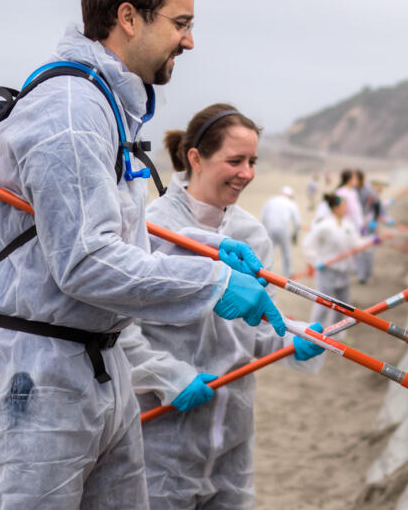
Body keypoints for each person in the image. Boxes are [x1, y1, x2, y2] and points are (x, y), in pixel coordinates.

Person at [0, 0, 285, 507]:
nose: (189, 39)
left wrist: (207, 249)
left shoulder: (107, 105)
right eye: (180, 22)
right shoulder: (72, 111)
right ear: (128, 18)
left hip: (100, 370)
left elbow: (116, 230)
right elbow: (85, 262)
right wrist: (214, 286)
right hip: (34, 380)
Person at [121, 104, 326, 509]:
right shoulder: (150, 229)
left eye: (252, 161)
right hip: (160, 438)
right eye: (235, 161)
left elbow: (257, 331)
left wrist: (292, 338)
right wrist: (167, 377)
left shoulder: (252, 236)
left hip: (232, 441)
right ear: (195, 158)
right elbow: (117, 331)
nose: (247, 173)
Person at [303, 193, 370, 327]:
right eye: (344, 206)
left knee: (343, 305)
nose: (346, 209)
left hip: (343, 270)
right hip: (327, 270)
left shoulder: (347, 225)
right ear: (335, 208)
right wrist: (315, 262)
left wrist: (371, 240)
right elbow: (308, 244)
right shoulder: (324, 226)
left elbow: (355, 243)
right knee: (323, 304)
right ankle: (312, 334)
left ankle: (337, 335)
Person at [261, 185, 302, 278]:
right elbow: (297, 221)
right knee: (286, 251)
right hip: (283, 229)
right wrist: (296, 234)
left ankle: (266, 271)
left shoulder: (271, 200)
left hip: (269, 228)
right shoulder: (291, 203)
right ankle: (288, 273)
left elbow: (263, 216)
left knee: (270, 251)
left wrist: (263, 228)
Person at [353, 169, 384, 284]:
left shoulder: (369, 190)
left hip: (368, 220)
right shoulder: (352, 190)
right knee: (359, 249)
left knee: (369, 249)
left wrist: (374, 221)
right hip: (357, 223)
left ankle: (368, 272)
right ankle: (361, 275)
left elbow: (377, 205)